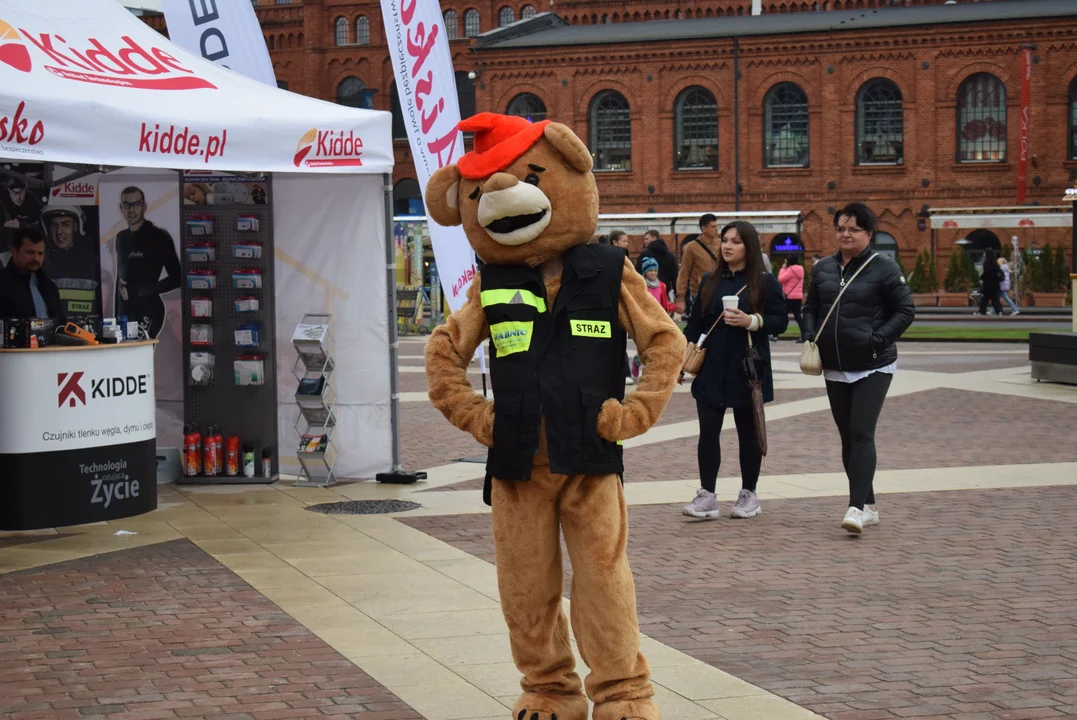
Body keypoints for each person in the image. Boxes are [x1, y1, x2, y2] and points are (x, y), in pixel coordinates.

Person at [802, 202, 915, 534]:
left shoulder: (884, 268)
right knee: (847, 437)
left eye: (853, 229)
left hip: (873, 365)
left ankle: (855, 508)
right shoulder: (823, 267)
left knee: (862, 431)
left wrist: (877, 339)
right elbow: (810, 307)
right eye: (840, 228)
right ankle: (869, 504)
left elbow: (905, 310)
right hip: (834, 365)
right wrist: (809, 334)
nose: (845, 234)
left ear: (869, 233)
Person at [682, 221, 788, 520]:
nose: (727, 246)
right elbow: (696, 324)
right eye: (725, 240)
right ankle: (707, 495)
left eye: (736, 242)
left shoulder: (765, 282)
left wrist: (752, 320)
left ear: (749, 247)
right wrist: (684, 356)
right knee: (708, 431)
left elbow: (780, 320)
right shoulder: (709, 280)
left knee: (748, 434)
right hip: (713, 367)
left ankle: (748, 494)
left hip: (747, 367)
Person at [114, 186, 181, 339]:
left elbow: (177, 278)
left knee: (137, 355)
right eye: (126, 205)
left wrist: (138, 291)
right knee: (123, 357)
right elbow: (120, 279)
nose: (131, 210)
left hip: (149, 310)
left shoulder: (159, 237)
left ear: (144, 206)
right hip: (125, 313)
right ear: (121, 208)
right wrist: (117, 317)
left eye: (136, 204)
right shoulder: (121, 238)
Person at [43, 203, 101, 317]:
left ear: (76, 227)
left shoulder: (94, 264)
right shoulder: (41, 266)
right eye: (54, 225)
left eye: (65, 224)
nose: (59, 231)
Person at [0, 226, 63, 320]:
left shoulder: (50, 287)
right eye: (30, 252)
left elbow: (61, 323)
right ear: (13, 252)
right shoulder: (2, 283)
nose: (36, 258)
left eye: (40, 253)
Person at [676, 213, 720, 317]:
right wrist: (680, 298)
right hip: (699, 293)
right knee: (700, 325)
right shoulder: (691, 247)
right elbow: (684, 273)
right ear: (704, 228)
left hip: (719, 290)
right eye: (713, 227)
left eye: (717, 226)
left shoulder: (721, 243)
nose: (716, 229)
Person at [635, 229, 679, 299]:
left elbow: (637, 273)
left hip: (646, 291)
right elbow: (675, 276)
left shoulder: (645, 254)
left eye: (647, 239)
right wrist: (678, 295)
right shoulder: (670, 255)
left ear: (654, 238)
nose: (645, 241)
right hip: (665, 292)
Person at [778, 257, 806, 341]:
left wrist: (783, 268)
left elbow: (781, 279)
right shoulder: (801, 269)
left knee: (782, 314)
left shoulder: (790, 270)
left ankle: (775, 334)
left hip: (789, 296)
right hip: (797, 296)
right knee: (798, 316)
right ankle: (805, 334)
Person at [976, 249, 1004, 317]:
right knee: (995, 299)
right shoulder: (995, 263)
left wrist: (982, 277)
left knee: (984, 299)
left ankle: (982, 311)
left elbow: (986, 273)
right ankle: (999, 311)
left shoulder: (986, 263)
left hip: (987, 284)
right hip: (995, 284)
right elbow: (998, 272)